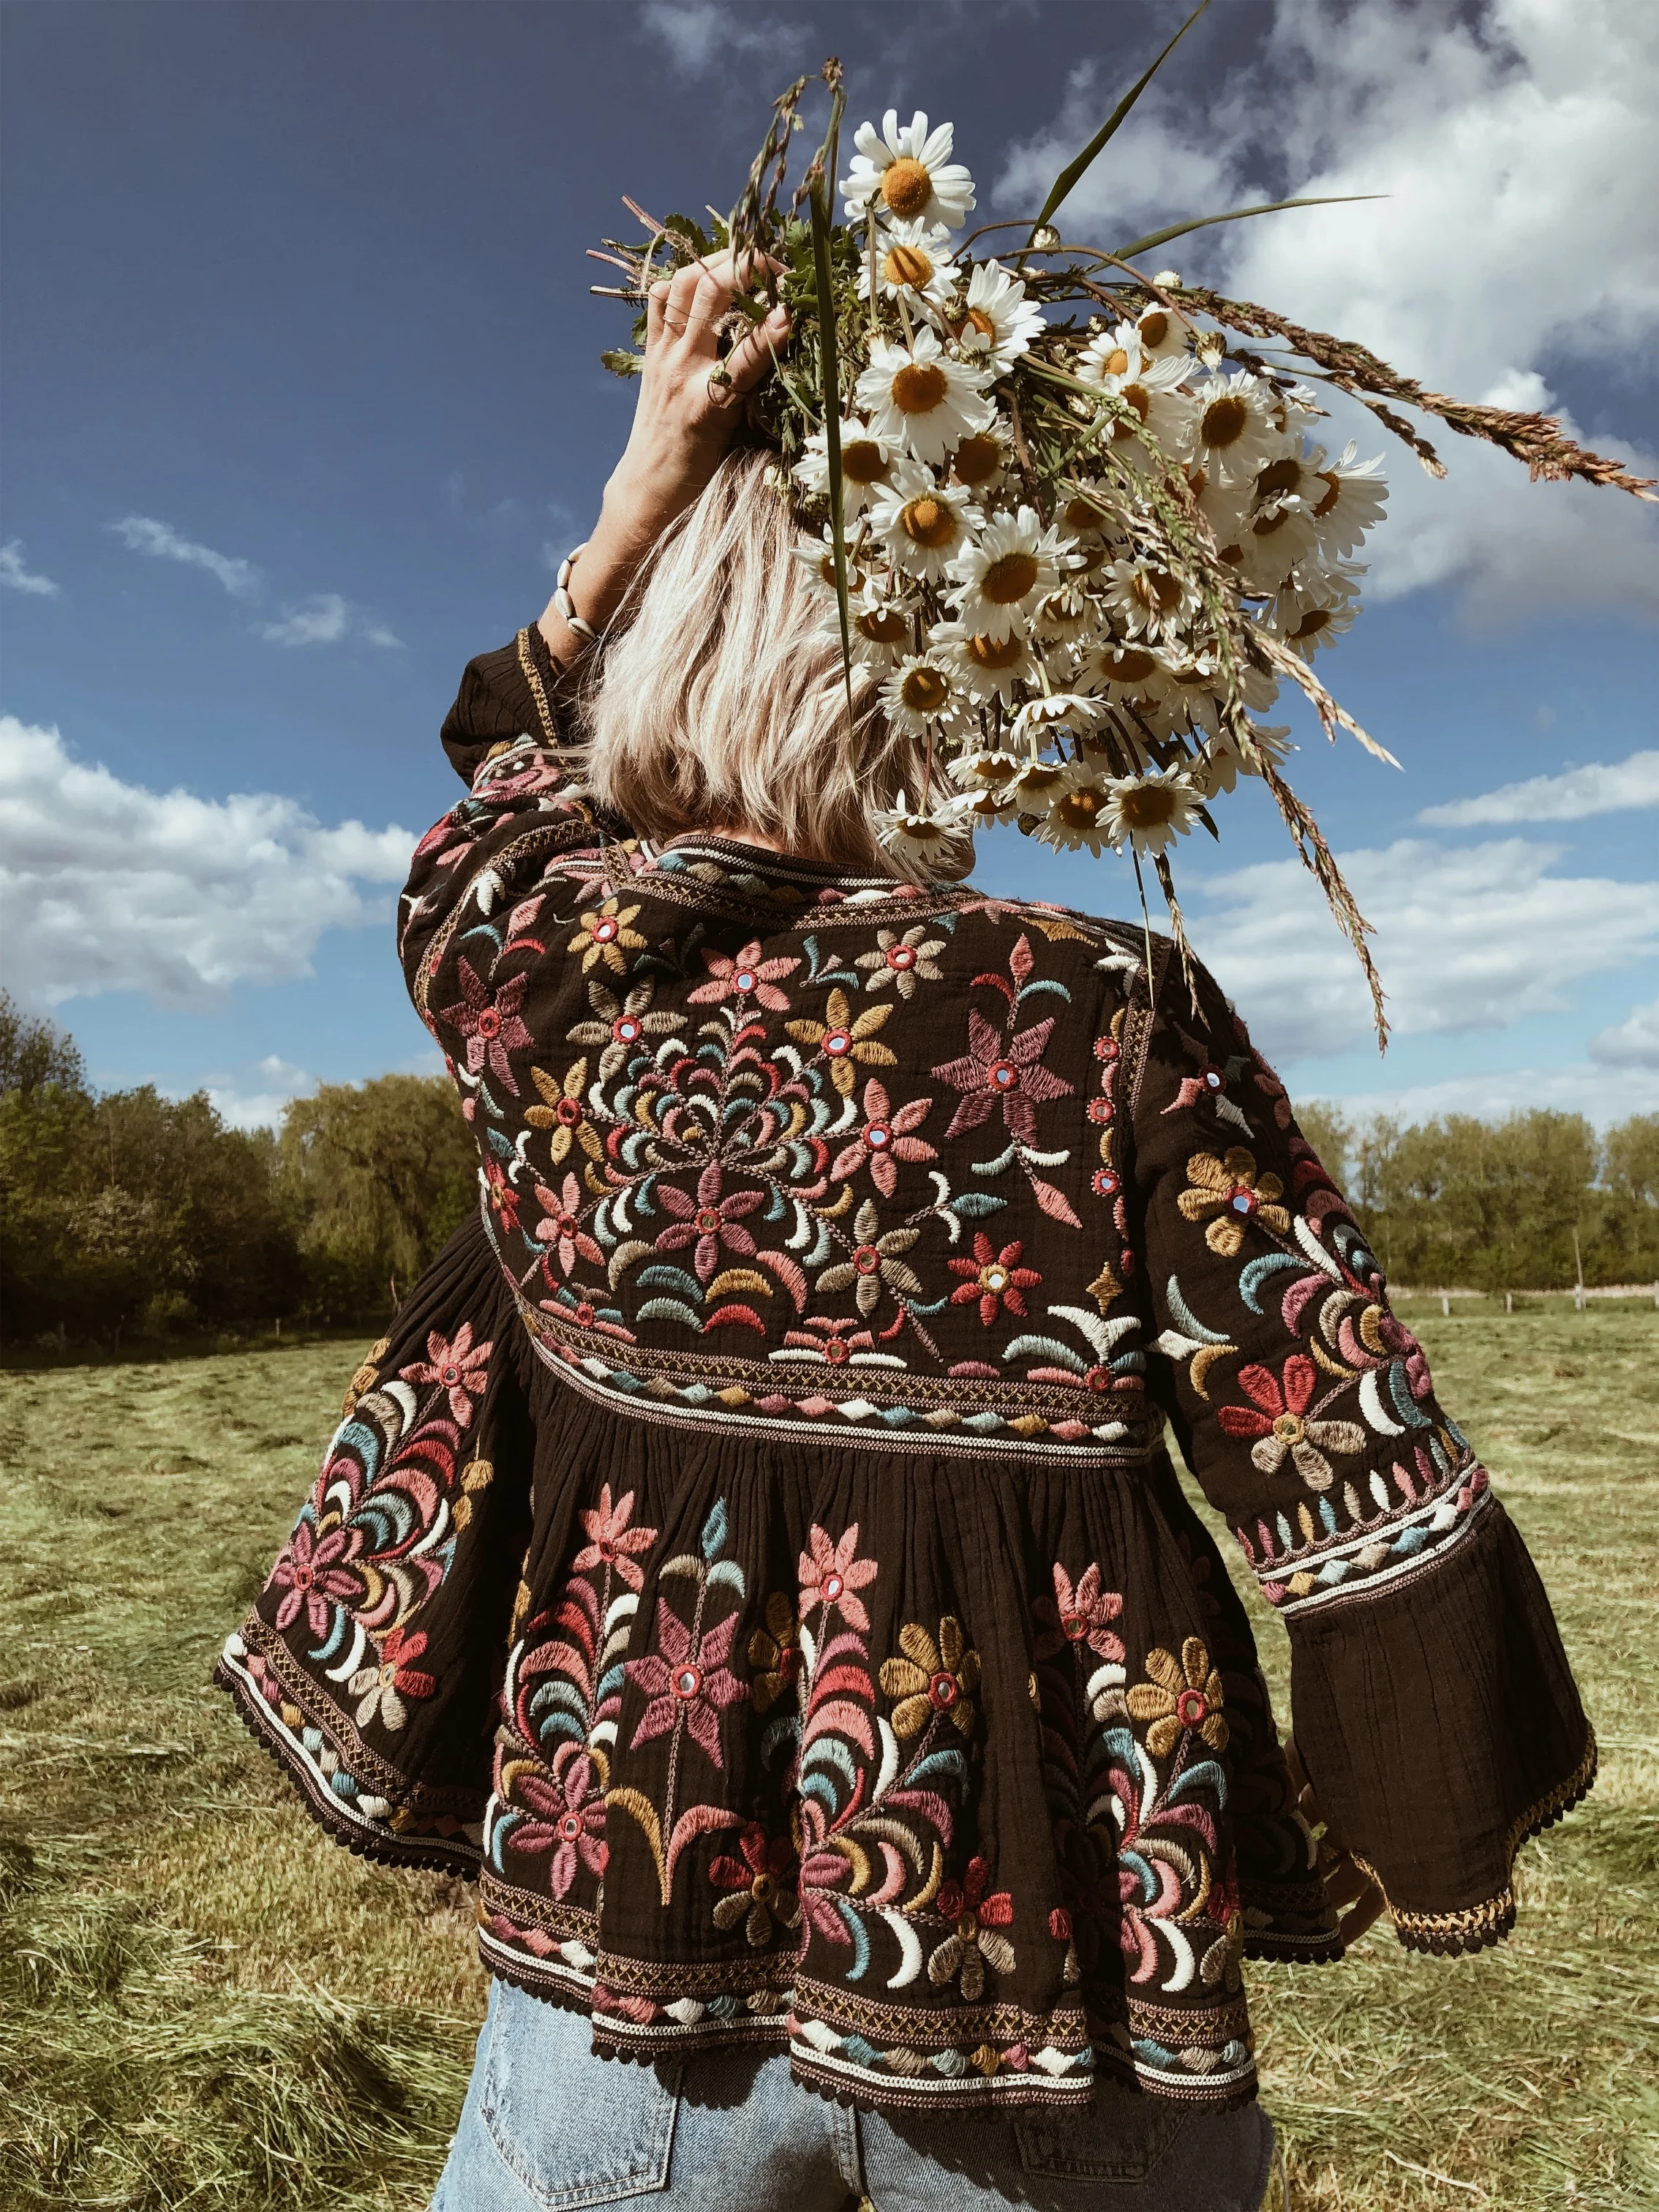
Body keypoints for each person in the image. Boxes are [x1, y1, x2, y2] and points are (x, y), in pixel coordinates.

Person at [217, 252, 1594, 2212]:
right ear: (944, 693)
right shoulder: (1097, 1010)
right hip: (1066, 2002)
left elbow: (495, 756)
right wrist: (1420, 1818)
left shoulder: (542, 975)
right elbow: (1336, 1439)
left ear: (674, 670)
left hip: (629, 1989)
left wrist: (643, 491)